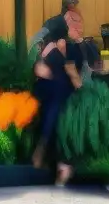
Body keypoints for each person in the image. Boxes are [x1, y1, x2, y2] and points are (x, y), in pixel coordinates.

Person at [31, 10, 85, 183]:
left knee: (52, 113)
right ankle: (58, 164)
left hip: (57, 92)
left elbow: (74, 75)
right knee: (52, 112)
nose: (75, 26)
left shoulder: (62, 48)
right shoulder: (53, 48)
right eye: (71, 22)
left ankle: (54, 160)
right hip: (55, 91)